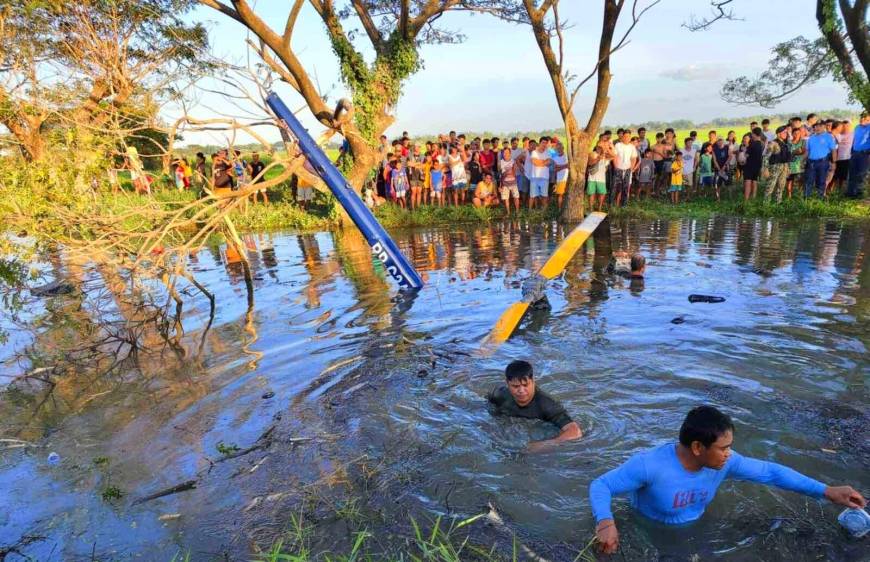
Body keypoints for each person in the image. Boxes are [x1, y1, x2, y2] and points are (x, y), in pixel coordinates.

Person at [590, 405, 866, 555]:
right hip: (648, 533)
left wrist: (826, 491)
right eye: (723, 447)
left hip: (698, 531)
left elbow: (771, 472)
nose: (729, 453)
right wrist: (606, 521)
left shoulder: (725, 463)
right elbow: (601, 485)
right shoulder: (649, 465)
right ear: (698, 447)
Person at [487, 360, 582, 453]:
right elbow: (487, 406)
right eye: (515, 386)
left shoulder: (546, 404)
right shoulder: (500, 394)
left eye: (525, 385)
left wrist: (546, 444)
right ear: (507, 384)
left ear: (533, 381)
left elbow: (575, 431)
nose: (521, 390)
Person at [804, 120, 837, 198]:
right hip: (811, 162)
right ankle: (806, 198)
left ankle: (820, 197)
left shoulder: (829, 137)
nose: (817, 128)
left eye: (820, 126)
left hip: (823, 162)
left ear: (824, 127)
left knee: (821, 181)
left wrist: (834, 162)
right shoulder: (811, 138)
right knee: (809, 180)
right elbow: (807, 151)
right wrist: (802, 161)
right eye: (816, 126)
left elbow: (833, 150)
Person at [765, 125, 792, 203]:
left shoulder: (786, 143)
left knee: (781, 186)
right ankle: (766, 205)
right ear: (778, 134)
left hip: (784, 167)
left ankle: (778, 203)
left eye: (786, 133)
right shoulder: (773, 143)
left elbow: (788, 158)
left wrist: (788, 169)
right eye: (784, 132)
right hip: (774, 167)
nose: (786, 134)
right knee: (770, 187)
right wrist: (765, 169)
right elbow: (766, 157)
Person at [846, 110, 869, 199]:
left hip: (865, 154)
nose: (862, 119)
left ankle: (859, 194)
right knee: (852, 173)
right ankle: (850, 192)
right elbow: (854, 140)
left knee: (861, 174)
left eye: (865, 118)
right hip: (855, 153)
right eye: (861, 117)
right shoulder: (857, 127)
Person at [613, 129, 637, 207]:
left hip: (628, 169)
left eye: (628, 136)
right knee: (616, 187)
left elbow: (634, 158)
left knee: (626, 188)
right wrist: (616, 167)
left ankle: (624, 205)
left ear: (630, 137)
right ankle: (614, 204)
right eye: (625, 136)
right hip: (618, 168)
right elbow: (614, 156)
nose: (627, 138)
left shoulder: (632, 147)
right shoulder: (618, 145)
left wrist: (631, 168)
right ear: (622, 137)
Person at [529, 137, 552, 209]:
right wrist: (544, 162)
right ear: (539, 143)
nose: (544, 144)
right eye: (543, 143)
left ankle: (544, 211)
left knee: (544, 195)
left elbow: (549, 162)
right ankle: (530, 211)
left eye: (546, 143)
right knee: (532, 195)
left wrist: (539, 162)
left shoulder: (548, 152)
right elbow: (534, 162)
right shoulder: (534, 152)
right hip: (534, 177)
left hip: (545, 177)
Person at [743, 128, 765, 200]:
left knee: (748, 183)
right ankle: (753, 198)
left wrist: (746, 149)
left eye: (752, 133)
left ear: (754, 134)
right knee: (755, 182)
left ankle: (746, 200)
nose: (751, 135)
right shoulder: (762, 144)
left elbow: (746, 155)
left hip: (749, 166)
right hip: (758, 165)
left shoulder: (752, 144)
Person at [833, 120, 853, 194]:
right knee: (835, 176)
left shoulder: (853, 134)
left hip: (847, 158)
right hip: (836, 158)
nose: (846, 128)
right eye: (844, 126)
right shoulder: (838, 134)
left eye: (847, 126)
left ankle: (841, 191)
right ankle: (831, 191)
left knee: (844, 176)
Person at [498, 148, 520, 215]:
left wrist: (510, 171)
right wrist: (500, 186)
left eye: (507, 153)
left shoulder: (513, 161)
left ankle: (517, 212)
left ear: (510, 153)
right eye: (504, 153)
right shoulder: (500, 162)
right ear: (502, 154)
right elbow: (500, 174)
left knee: (516, 197)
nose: (506, 154)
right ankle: (508, 213)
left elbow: (514, 172)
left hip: (513, 182)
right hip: (505, 184)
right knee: (506, 199)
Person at [587, 146, 608, 212]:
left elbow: (613, 156)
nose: (599, 149)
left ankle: (599, 208)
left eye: (601, 148)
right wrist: (598, 158)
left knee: (602, 193)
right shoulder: (592, 154)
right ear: (595, 148)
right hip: (592, 178)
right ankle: (591, 209)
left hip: (601, 178)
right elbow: (590, 163)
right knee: (591, 193)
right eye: (598, 147)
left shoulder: (605, 156)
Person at [786, 127, 805, 199]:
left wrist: (793, 152)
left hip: (799, 166)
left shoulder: (803, 142)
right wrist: (796, 151)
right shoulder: (789, 142)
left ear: (800, 134)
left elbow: (802, 151)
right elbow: (788, 153)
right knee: (789, 182)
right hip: (790, 166)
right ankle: (789, 197)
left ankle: (798, 196)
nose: (796, 135)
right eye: (795, 133)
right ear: (792, 134)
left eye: (798, 133)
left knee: (800, 181)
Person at [552, 142, 569, 209]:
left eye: (560, 148)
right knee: (560, 195)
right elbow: (555, 170)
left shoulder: (567, 156)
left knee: (568, 195)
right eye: (557, 148)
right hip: (560, 179)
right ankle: (559, 209)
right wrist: (565, 166)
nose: (559, 149)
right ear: (556, 149)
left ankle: (566, 208)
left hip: (568, 178)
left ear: (563, 148)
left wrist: (560, 166)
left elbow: (569, 166)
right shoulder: (555, 158)